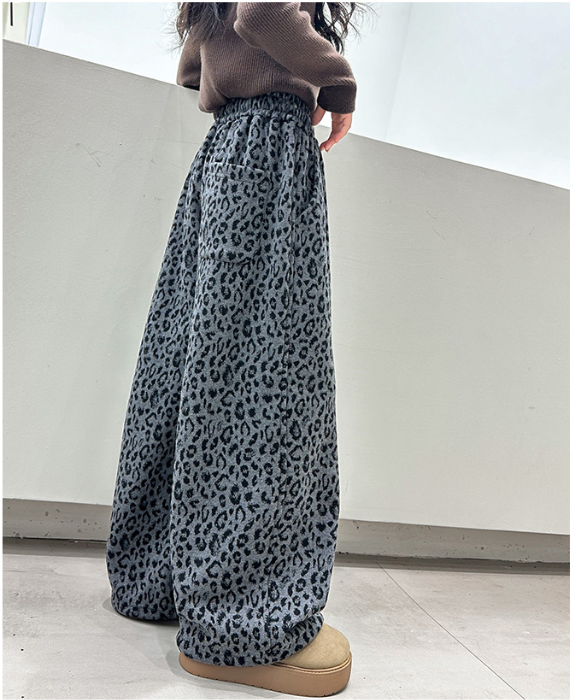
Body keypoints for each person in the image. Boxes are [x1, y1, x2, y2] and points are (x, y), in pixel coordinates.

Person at [105, 2, 368, 696]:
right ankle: (240, 623)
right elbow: (263, 11)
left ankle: (161, 577)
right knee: (266, 382)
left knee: (194, 364)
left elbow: (193, 67)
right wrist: (338, 83)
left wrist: (241, 67)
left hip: (224, 153)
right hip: (270, 158)